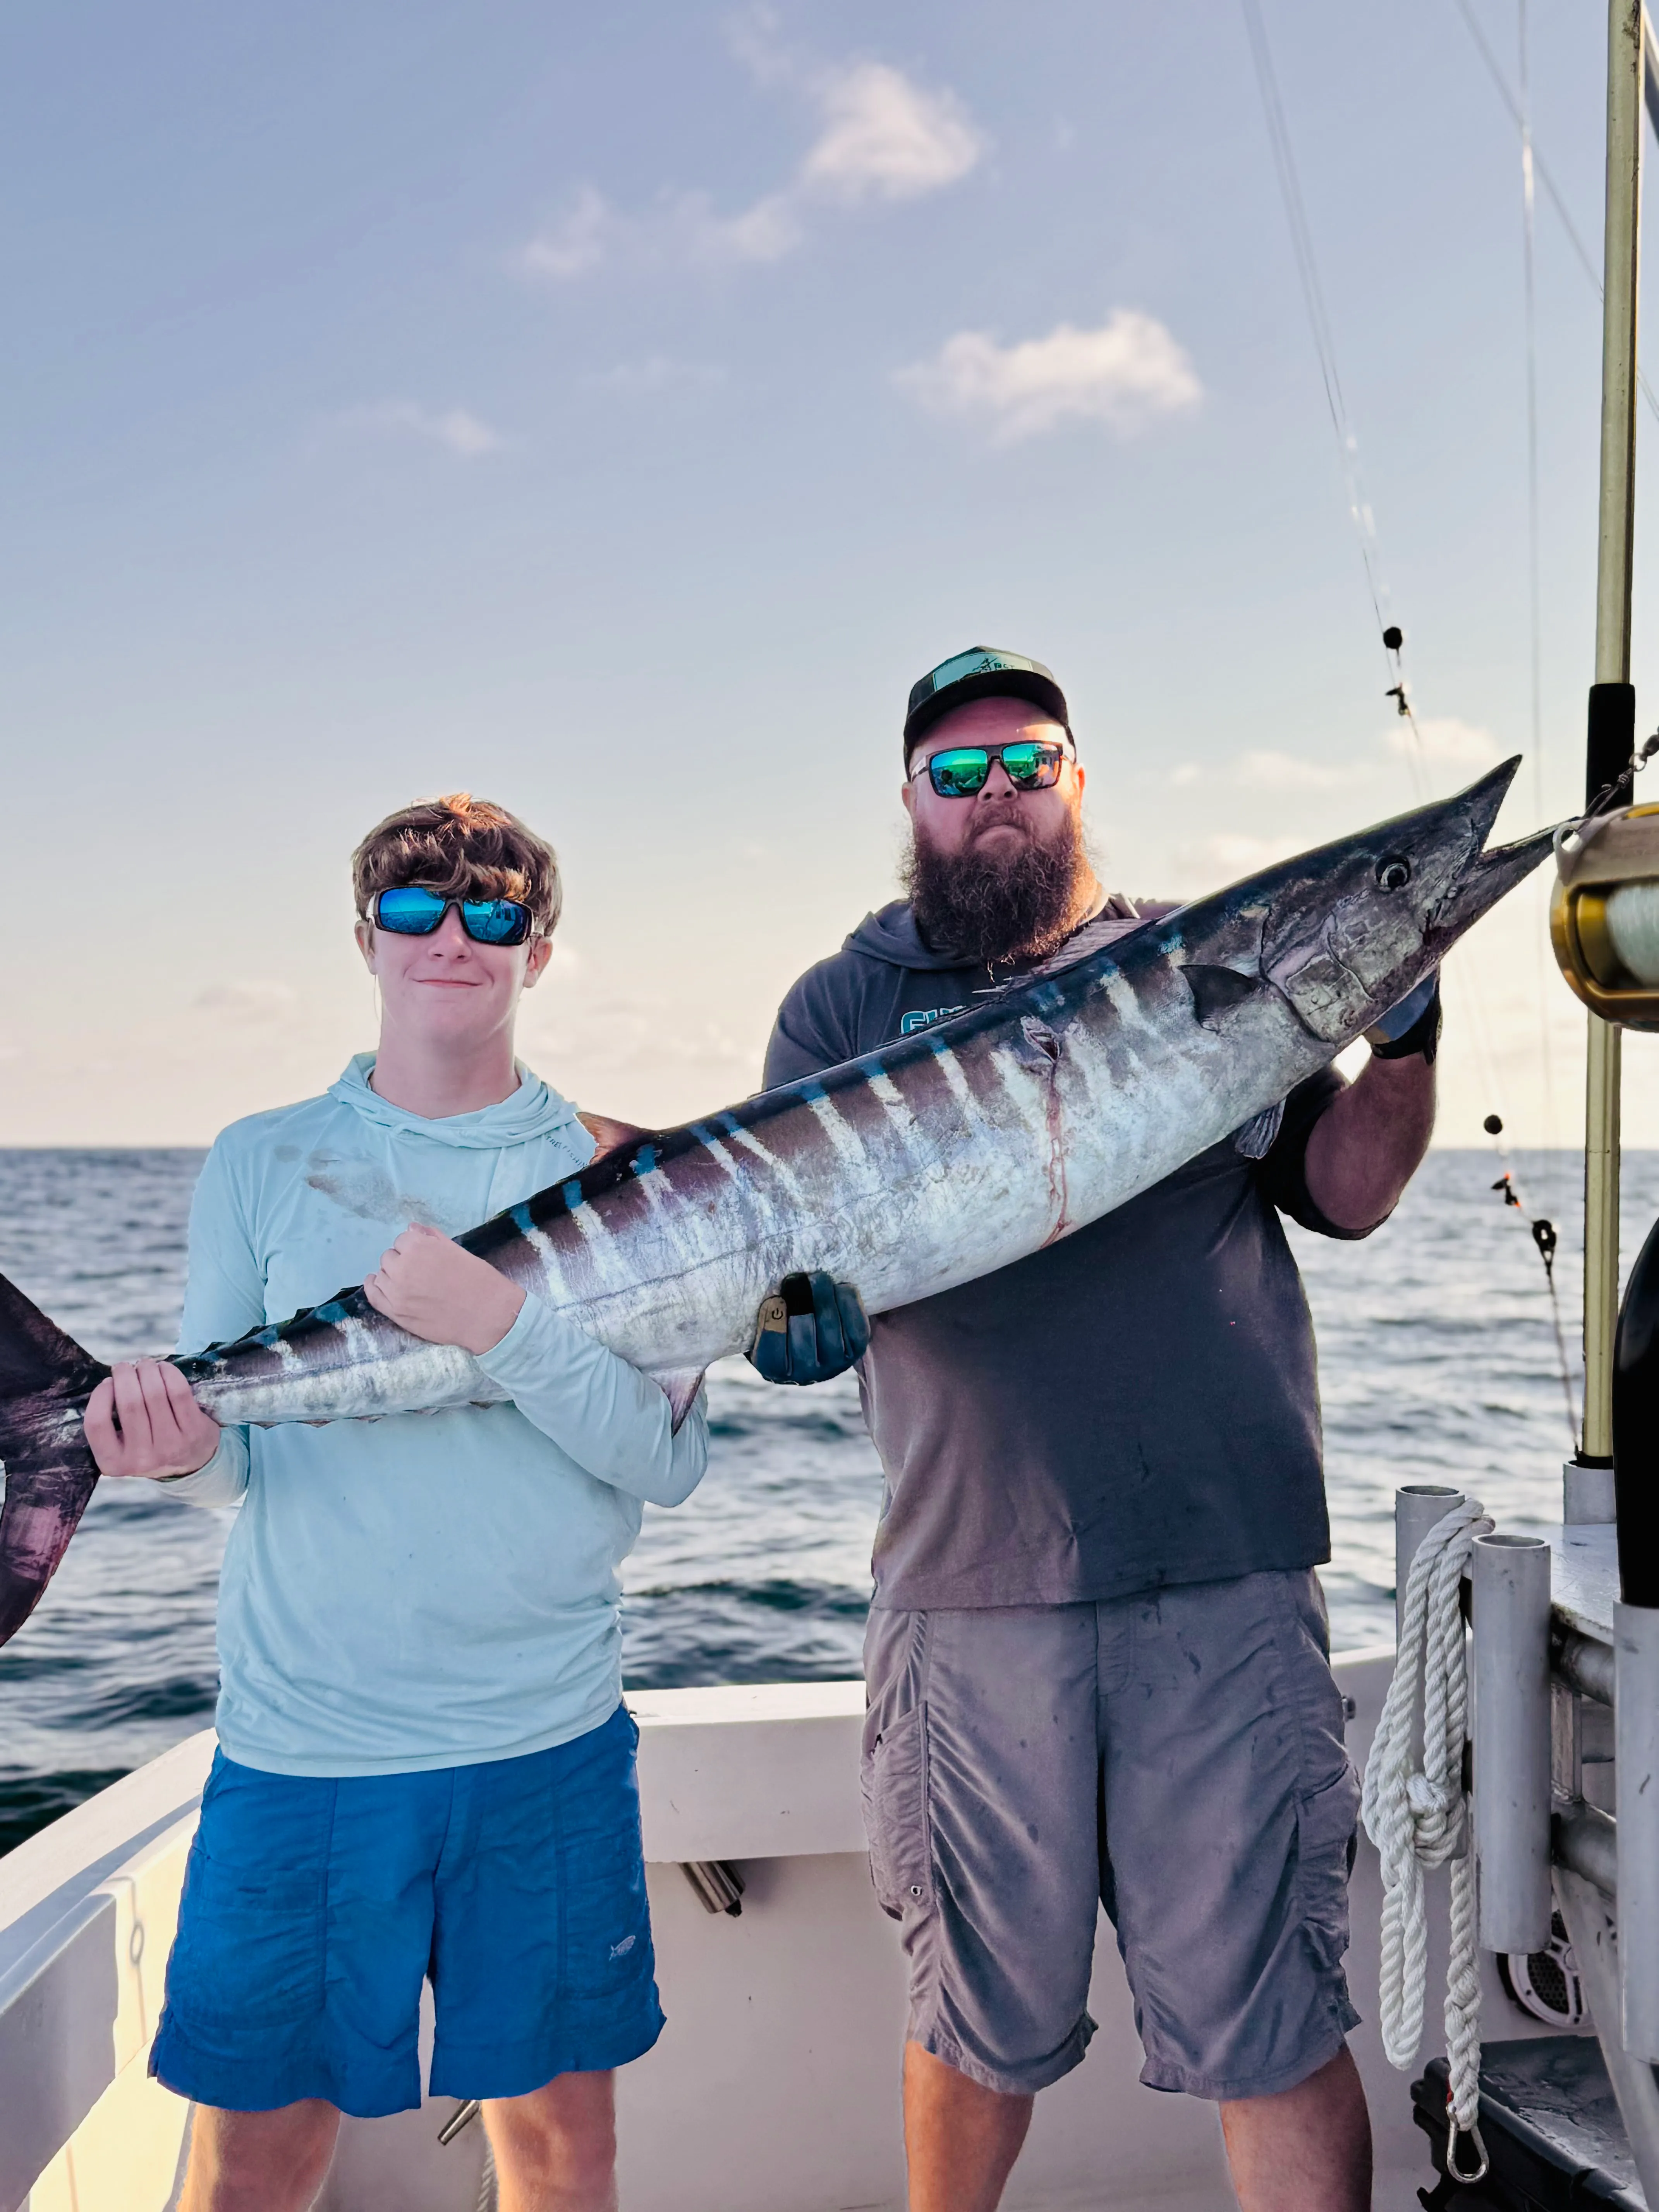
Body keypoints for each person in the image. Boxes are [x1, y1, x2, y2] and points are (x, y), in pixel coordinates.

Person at [755, 648, 1441, 2212]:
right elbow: (781, 1268)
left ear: (1078, 780)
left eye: (1028, 763)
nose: (994, 798)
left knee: (1270, 2022)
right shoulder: (845, 1004)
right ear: (913, 805)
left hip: (1224, 1570)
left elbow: (1346, 1191)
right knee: (977, 2027)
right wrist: (781, 1329)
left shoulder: (1205, 963)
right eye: (957, 774)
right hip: (970, 1586)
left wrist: (1402, 1045)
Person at [84, 793, 725, 2212]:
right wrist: (169, 1451)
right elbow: (233, 1469)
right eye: (418, 907)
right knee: (253, 2166)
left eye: (492, 911)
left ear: (538, 953)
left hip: (543, 1740)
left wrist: (499, 1321)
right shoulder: (261, 1157)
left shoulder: (627, 1169)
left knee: (563, 2163)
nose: (454, 934)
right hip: (305, 1744)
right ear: (366, 936)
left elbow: (666, 1463)